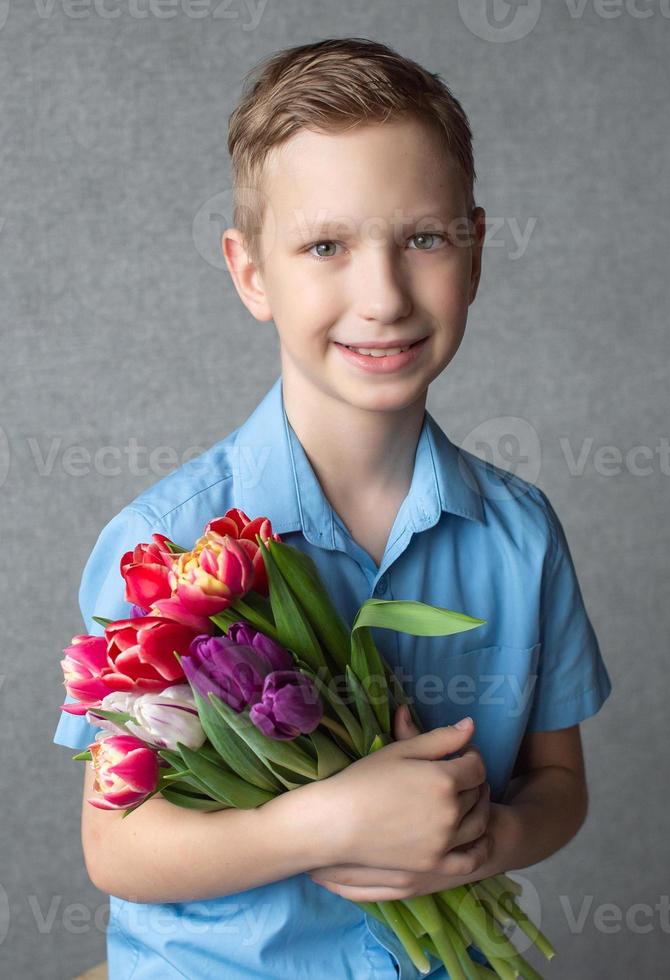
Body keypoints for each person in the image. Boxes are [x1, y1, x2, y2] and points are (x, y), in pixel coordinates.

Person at [54, 36, 613, 979]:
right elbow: (117, 847)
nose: (383, 296)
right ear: (250, 273)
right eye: (325, 246)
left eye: (424, 239)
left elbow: (559, 787)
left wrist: (489, 837)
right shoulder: (168, 544)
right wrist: (323, 820)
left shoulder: (522, 535)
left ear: (473, 253)